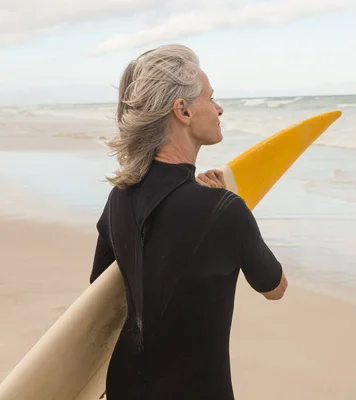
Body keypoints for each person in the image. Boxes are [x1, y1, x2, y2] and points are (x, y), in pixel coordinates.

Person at [90, 44, 288, 400]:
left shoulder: (119, 197)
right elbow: (274, 286)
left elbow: (101, 293)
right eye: (211, 98)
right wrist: (231, 206)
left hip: (124, 387)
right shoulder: (224, 210)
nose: (219, 108)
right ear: (182, 110)